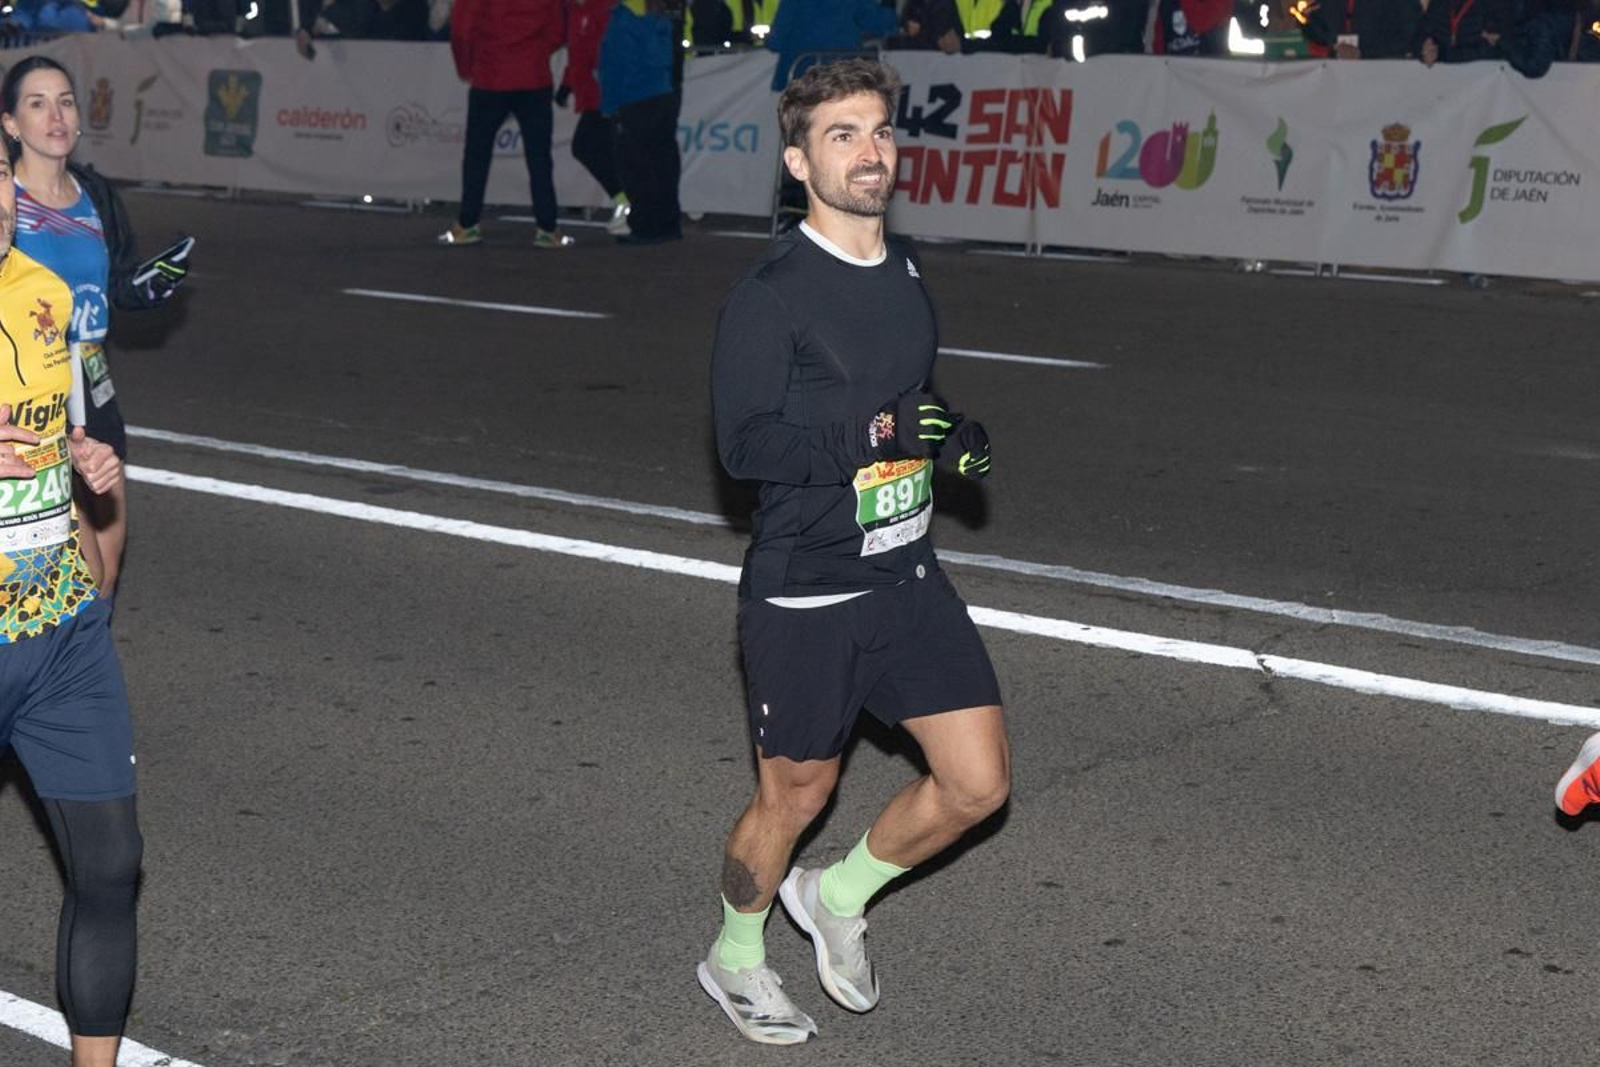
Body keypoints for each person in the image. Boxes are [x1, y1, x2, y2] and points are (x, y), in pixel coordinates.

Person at [701, 57, 1006, 1046]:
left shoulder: (905, 266)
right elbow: (745, 446)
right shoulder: (771, 294)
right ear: (797, 163)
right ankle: (733, 956)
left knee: (976, 784)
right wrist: (871, 439)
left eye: (877, 129)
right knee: (796, 792)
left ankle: (837, 891)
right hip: (810, 585)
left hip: (906, 568)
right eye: (841, 134)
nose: (867, 150)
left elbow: (905, 398)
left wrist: (943, 432)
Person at [0, 142, 141, 1067]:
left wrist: (93, 477)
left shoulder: (47, 293)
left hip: (58, 619)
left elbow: (82, 428)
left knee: (111, 865)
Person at [4, 56, 187, 597]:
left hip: (94, 384)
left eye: (65, 101)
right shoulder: (6, 202)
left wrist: (152, 284)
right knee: (66, 567)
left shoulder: (96, 194)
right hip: (33, 394)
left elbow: (114, 289)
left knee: (106, 566)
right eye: (37, 103)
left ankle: (83, 672)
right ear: (11, 124)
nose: (56, 115)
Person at [437, 0, 570, 248]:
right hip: (534, 76)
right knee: (539, 157)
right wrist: (536, 52)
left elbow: (462, 29)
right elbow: (557, 29)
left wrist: (466, 68)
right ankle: (548, 228)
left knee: (477, 155)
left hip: (490, 75)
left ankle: (468, 224)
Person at [598, 0, 682, 245]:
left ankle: (645, 226)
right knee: (663, 165)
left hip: (632, 101)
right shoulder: (661, 20)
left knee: (636, 168)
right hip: (662, 96)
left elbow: (613, 67)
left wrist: (608, 105)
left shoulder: (622, 21)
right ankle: (668, 223)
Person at [559, 0, 630, 236]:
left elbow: (606, 52)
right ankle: (626, 202)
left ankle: (625, 201)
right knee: (600, 149)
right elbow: (578, 55)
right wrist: (567, 85)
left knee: (585, 147)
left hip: (604, 95)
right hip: (593, 95)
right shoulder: (576, 11)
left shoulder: (601, 10)